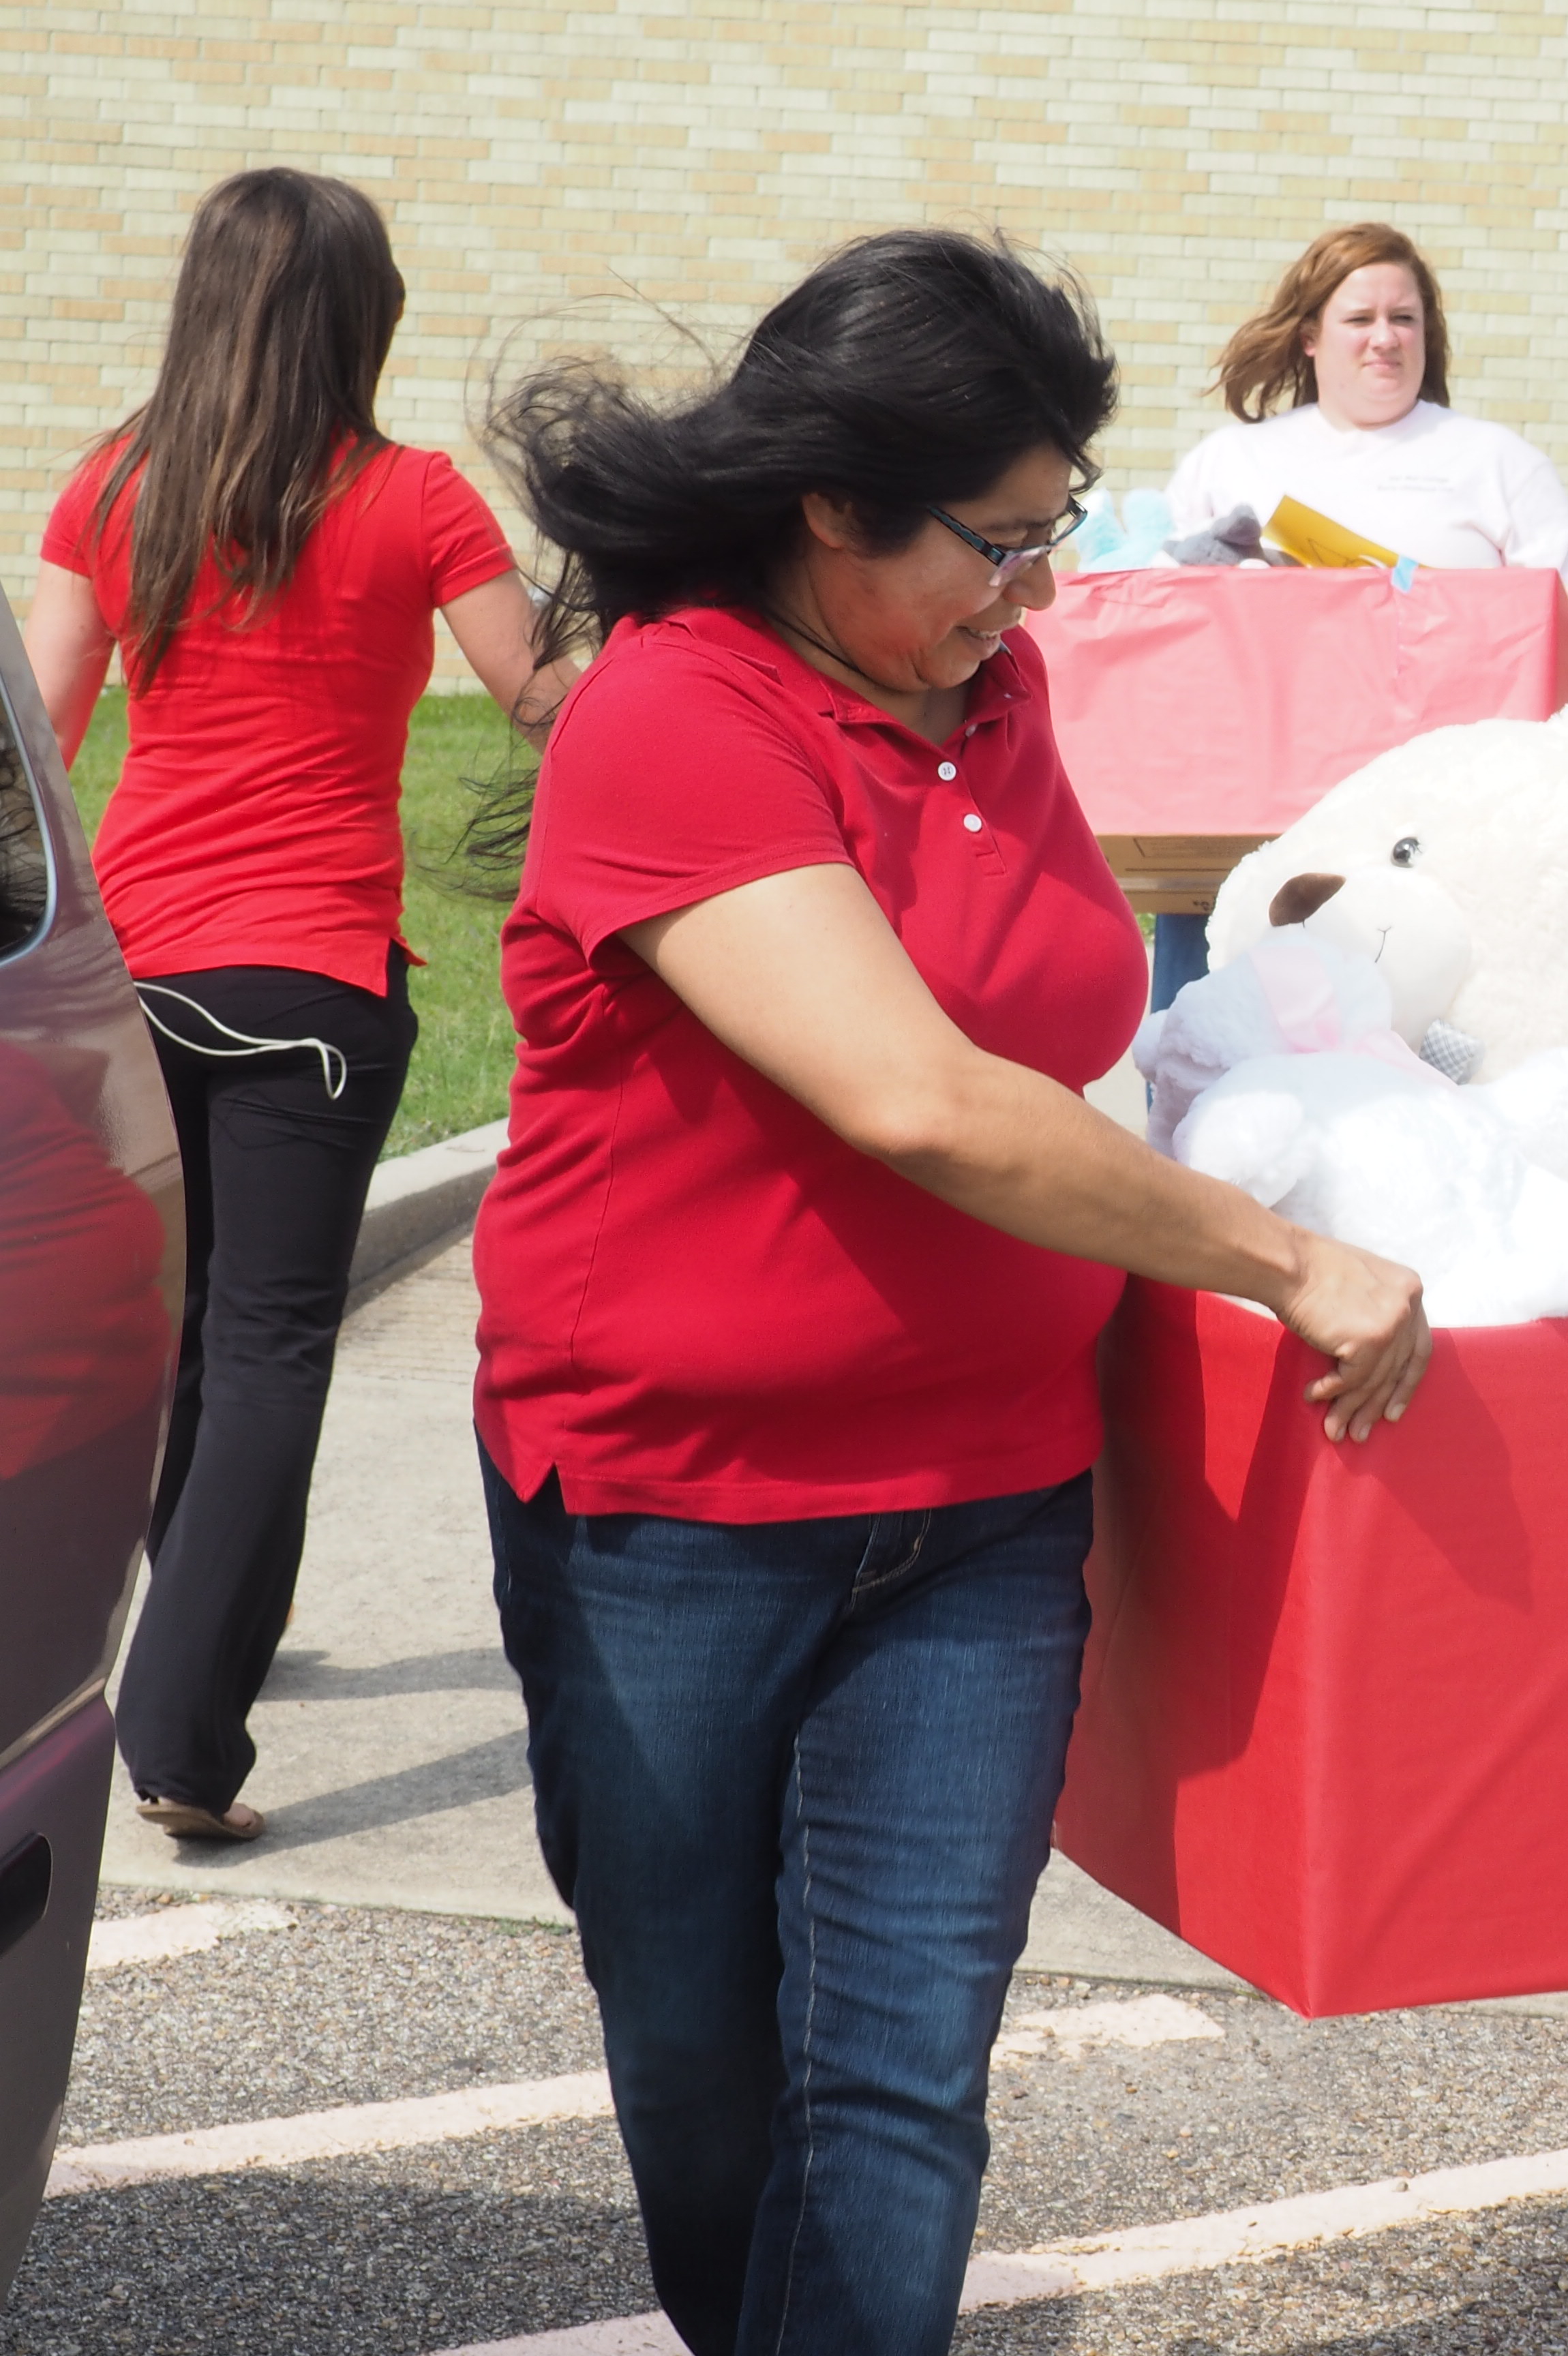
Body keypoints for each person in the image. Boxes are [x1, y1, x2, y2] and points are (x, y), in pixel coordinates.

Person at [474, 228, 1428, 2356]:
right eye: (1001, 540)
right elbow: (917, 1093)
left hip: (986, 1510)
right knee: (711, 2084)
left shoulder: (998, 692)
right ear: (832, 504)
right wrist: (1291, 1260)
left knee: (895, 2087)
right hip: (675, 1522)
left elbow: (1070, 1006)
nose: (1041, 590)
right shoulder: (673, 714)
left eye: (1058, 530)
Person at [20, 167, 568, 1845]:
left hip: (133, 973)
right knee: (265, 1349)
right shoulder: (417, 500)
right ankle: (181, 1728)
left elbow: (36, 723)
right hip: (307, 984)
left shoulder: (113, 482)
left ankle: (190, 1635)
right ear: (363, 316)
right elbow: (538, 692)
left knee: (175, 1340)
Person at [1148, 221, 1568, 1007]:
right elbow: (1166, 608)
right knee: (1216, 1019)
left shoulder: (1496, 462)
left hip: (1433, 800)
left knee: (1419, 1007)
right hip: (1250, 789)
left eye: (1404, 319)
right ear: (1308, 336)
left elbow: (1563, 604)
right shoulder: (1232, 462)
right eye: (1359, 319)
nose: (1385, 339)